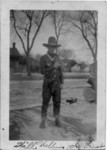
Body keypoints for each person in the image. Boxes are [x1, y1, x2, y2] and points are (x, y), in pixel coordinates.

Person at [39, 36, 64, 128]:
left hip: (57, 84)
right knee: (45, 103)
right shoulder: (43, 58)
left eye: (54, 47)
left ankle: (57, 120)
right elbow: (41, 71)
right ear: (48, 47)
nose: (52, 48)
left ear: (55, 48)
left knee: (57, 102)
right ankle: (43, 121)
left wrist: (62, 83)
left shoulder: (58, 58)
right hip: (47, 84)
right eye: (50, 46)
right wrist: (53, 67)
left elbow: (61, 71)